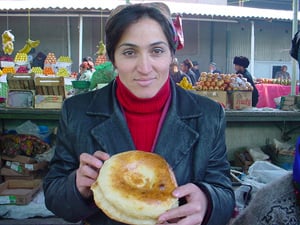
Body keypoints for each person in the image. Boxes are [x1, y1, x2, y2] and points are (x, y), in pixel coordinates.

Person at [44, 3, 235, 225]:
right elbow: (53, 194)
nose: (144, 67)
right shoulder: (77, 113)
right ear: (113, 58)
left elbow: (224, 191)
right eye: (129, 52)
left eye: (157, 51)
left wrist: (208, 201)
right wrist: (76, 186)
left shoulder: (208, 115)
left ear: (172, 55)